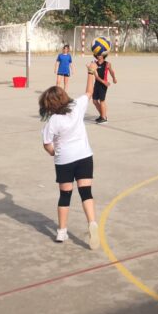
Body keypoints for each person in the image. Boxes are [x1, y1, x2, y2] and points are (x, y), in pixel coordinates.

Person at [39, 61, 101, 248]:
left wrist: (54, 153)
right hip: (84, 157)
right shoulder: (76, 106)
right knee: (86, 192)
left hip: (64, 160)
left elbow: (47, 144)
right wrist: (91, 71)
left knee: (65, 195)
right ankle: (92, 223)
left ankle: (61, 231)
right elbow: (89, 92)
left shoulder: (53, 121)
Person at [91, 50, 117, 124]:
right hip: (98, 83)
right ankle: (103, 115)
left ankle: (104, 118)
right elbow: (96, 76)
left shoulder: (107, 64)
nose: (98, 56)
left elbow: (111, 72)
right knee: (94, 101)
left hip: (103, 85)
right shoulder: (94, 64)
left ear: (103, 56)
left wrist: (114, 78)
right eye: (97, 54)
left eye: (100, 54)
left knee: (102, 101)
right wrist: (103, 82)